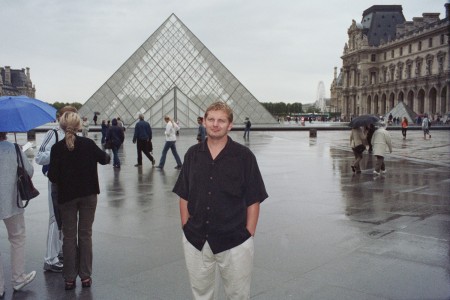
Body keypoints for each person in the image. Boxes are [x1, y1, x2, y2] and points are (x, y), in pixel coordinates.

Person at [173, 101, 268, 300]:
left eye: (221, 121)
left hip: (235, 240)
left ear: (230, 125)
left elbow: (254, 199)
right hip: (196, 238)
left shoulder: (244, 157)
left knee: (238, 295)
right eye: (211, 119)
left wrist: (249, 233)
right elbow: (184, 194)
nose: (215, 124)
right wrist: (185, 225)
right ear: (204, 122)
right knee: (201, 295)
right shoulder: (192, 154)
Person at [48, 111, 110, 290]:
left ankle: (68, 278)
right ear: (78, 126)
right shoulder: (88, 144)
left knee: (68, 236)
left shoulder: (57, 148)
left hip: (66, 197)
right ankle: (85, 277)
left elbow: (52, 176)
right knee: (85, 234)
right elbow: (105, 159)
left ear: (61, 125)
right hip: (88, 195)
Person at [35, 106, 78, 273]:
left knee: (66, 218)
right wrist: (59, 153)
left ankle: (60, 251)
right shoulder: (52, 134)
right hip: (55, 182)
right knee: (55, 219)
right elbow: (39, 157)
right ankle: (50, 258)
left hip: (71, 182)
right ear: (61, 117)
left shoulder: (75, 135)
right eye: (68, 116)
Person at [0, 132, 37, 296]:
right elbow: (28, 171)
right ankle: (18, 278)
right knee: (17, 237)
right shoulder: (14, 148)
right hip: (11, 202)